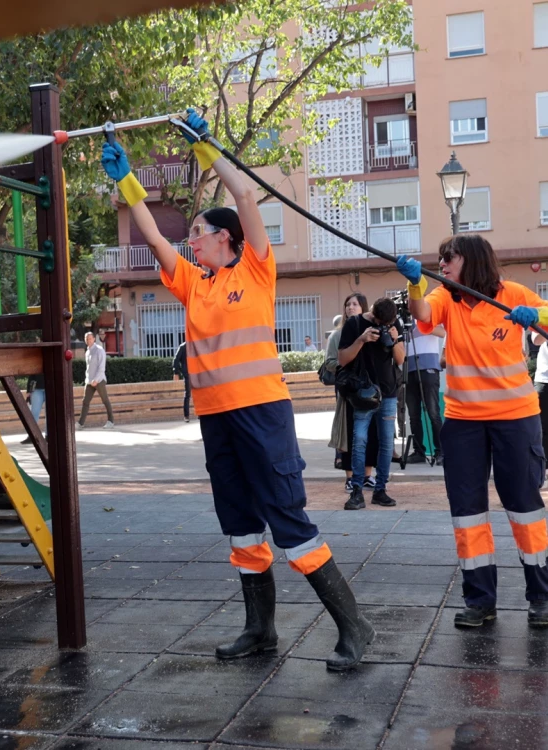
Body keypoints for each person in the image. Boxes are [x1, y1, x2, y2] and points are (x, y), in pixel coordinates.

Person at [100, 109, 374, 670]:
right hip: (217, 417)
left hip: (262, 413)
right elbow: (153, 235)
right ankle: (260, 630)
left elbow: (246, 196)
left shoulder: (255, 268)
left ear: (223, 237)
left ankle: (355, 626)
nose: (190, 240)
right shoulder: (192, 282)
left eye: (196, 232)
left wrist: (208, 147)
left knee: (287, 519)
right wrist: (125, 182)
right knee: (241, 524)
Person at [397, 234, 548, 628]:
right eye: (440, 259)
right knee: (468, 512)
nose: (442, 264)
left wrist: (538, 318)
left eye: (450, 258)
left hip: (515, 417)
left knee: (524, 505)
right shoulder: (447, 298)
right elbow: (422, 312)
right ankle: (480, 600)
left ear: (474, 260)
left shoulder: (513, 293)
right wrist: (415, 284)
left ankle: (543, 597)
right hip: (464, 422)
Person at [338, 297, 406, 510]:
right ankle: (357, 491)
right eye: (380, 323)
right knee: (359, 440)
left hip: (388, 392)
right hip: (363, 394)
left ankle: (380, 490)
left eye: (387, 324)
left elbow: (401, 359)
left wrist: (394, 340)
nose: (383, 327)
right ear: (373, 314)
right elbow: (342, 359)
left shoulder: (394, 323)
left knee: (387, 443)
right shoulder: (355, 324)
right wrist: (361, 340)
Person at [326, 294, 380, 494]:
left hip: (371, 390)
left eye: (355, 304)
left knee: (371, 433)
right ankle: (349, 477)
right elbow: (331, 362)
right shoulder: (336, 335)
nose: (350, 307)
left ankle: (367, 475)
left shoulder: (373, 330)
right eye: (347, 304)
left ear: (363, 307)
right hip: (348, 391)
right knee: (349, 433)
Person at [404, 325, 445, 465]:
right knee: (413, 415)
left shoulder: (427, 314)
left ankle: (441, 451)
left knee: (433, 413)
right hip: (408, 369)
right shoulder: (402, 316)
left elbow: (443, 332)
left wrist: (422, 323)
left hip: (429, 367)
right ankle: (418, 452)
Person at [76, 332, 114, 430]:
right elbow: (88, 368)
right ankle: (81, 423)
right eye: (86, 338)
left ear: (93, 339)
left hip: (99, 380)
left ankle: (111, 421)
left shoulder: (99, 350)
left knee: (105, 400)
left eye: (89, 338)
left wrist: (96, 380)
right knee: (85, 401)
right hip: (89, 381)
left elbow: (101, 367)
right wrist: (87, 380)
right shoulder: (87, 351)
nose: (88, 340)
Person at [532, 331, 548, 468]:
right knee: (541, 427)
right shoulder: (543, 310)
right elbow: (536, 340)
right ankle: (542, 469)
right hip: (545, 380)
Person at [21, 373, 46, 443]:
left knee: (50, 413)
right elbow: (31, 374)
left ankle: (48, 436)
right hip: (37, 389)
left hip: (51, 387)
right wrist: (28, 391)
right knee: (34, 413)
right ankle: (32, 436)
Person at [173, 340, 191, 422]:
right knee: (188, 394)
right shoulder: (184, 346)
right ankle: (186, 415)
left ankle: (187, 416)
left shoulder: (185, 346)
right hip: (190, 373)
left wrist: (176, 372)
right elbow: (176, 360)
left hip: (192, 373)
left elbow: (176, 359)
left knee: (188, 394)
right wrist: (176, 372)